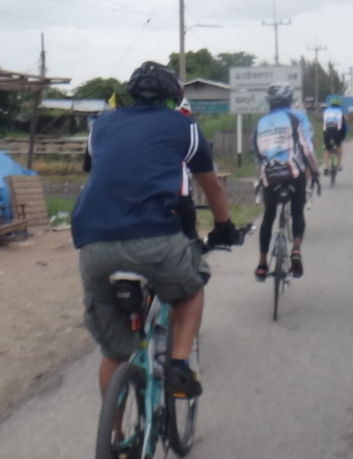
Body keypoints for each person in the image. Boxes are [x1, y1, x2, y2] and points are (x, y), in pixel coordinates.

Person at [71, 61, 239, 401]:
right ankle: (177, 365)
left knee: (114, 354)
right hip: (154, 239)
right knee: (192, 288)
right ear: (175, 96)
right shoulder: (185, 126)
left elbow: (95, 170)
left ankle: (114, 432)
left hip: (93, 243)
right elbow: (211, 187)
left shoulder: (101, 126)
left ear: (132, 93)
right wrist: (224, 227)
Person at [252, 81, 320, 281]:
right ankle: (296, 250)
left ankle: (262, 264)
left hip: (269, 175)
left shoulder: (260, 123)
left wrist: (261, 177)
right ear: (289, 100)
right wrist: (315, 172)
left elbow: (257, 155)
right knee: (297, 212)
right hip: (292, 173)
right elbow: (306, 149)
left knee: (268, 217)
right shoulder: (295, 118)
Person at [321, 96, 347, 172]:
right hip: (337, 132)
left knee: (327, 149)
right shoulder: (340, 112)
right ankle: (339, 165)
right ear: (339, 105)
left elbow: (324, 124)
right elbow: (343, 126)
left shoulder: (326, 112)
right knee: (339, 148)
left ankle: (326, 166)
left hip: (327, 132)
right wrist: (343, 136)